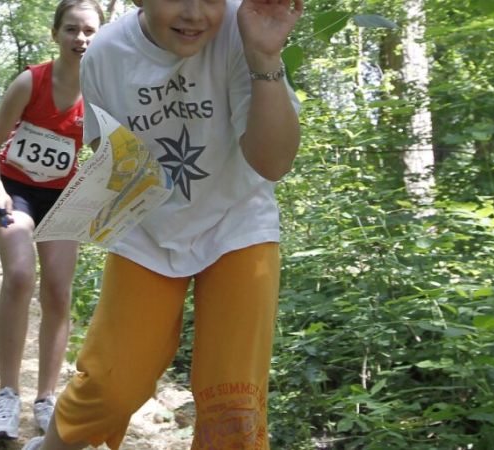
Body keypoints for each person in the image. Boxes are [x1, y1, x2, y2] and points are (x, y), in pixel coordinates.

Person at [22, 0, 303, 448]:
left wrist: (265, 58)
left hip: (238, 223)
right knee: (112, 385)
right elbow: (109, 153)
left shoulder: (243, 30)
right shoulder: (106, 54)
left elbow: (273, 163)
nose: (194, 13)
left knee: (234, 402)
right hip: (147, 229)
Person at [0, 0, 105, 442]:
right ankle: (7, 394)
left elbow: (104, 153)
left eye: (89, 31)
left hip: (64, 197)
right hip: (15, 190)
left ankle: (46, 398)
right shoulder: (30, 81)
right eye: (71, 29)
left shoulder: (101, 91)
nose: (81, 39)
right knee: (17, 275)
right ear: (56, 34)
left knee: (58, 289)